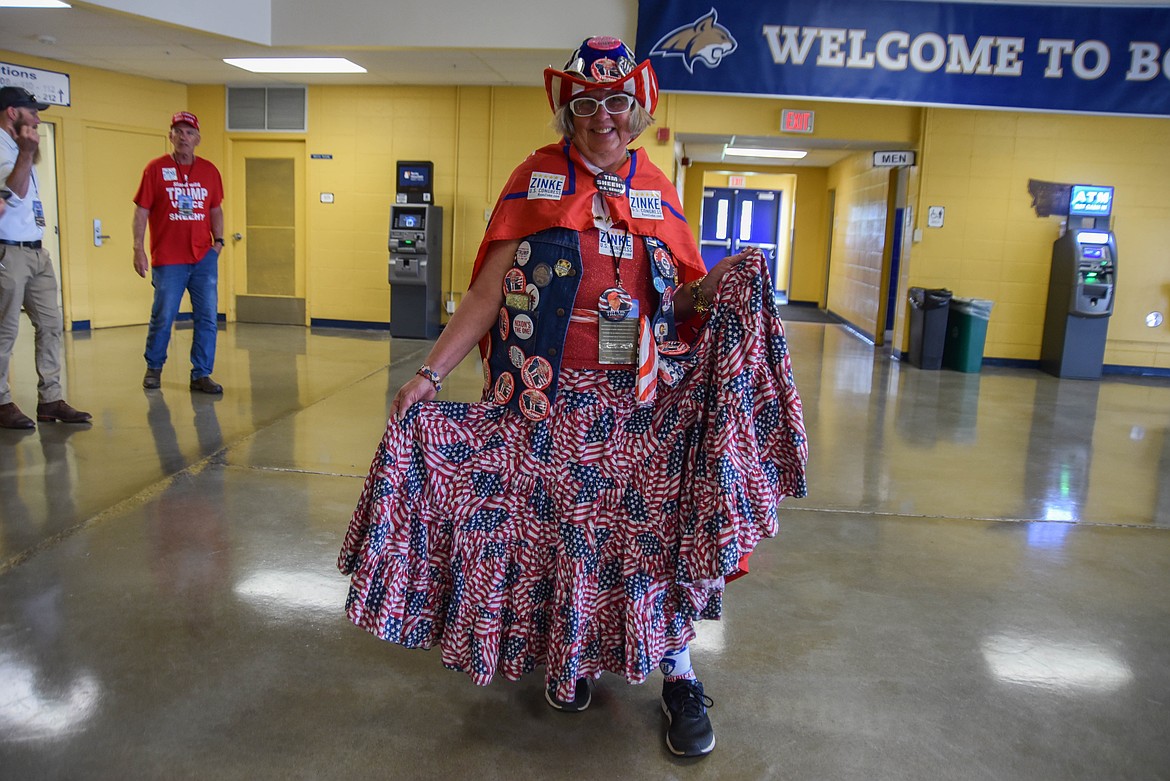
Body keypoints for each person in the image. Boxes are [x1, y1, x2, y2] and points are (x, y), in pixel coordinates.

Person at [338, 37, 807, 758]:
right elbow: (489, 294)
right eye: (587, 105)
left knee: (649, 541)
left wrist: (711, 289)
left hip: (638, 407)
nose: (603, 118)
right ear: (569, 113)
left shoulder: (656, 185)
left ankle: (678, 673)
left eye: (618, 103)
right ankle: (573, 657)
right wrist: (429, 374)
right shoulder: (535, 180)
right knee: (564, 541)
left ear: (638, 111)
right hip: (545, 407)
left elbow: (675, 299)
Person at [0, 86, 91, 430]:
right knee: (5, 330)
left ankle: (51, 399)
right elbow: (16, 190)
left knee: (51, 326)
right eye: (32, 111)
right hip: (8, 250)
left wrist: (28, 150)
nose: (38, 118)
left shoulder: (21, 147)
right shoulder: (4, 147)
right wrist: (27, 151)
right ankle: (1, 401)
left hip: (36, 251)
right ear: (12, 112)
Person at [132, 111, 225, 394]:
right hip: (168, 259)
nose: (184, 137)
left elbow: (215, 208)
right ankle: (154, 368)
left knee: (207, 318)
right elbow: (142, 210)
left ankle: (201, 374)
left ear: (197, 139)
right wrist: (138, 247)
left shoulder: (210, 171)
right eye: (178, 132)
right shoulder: (155, 169)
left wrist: (218, 243)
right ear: (170, 136)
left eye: (189, 133)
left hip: (202, 258)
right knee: (163, 315)